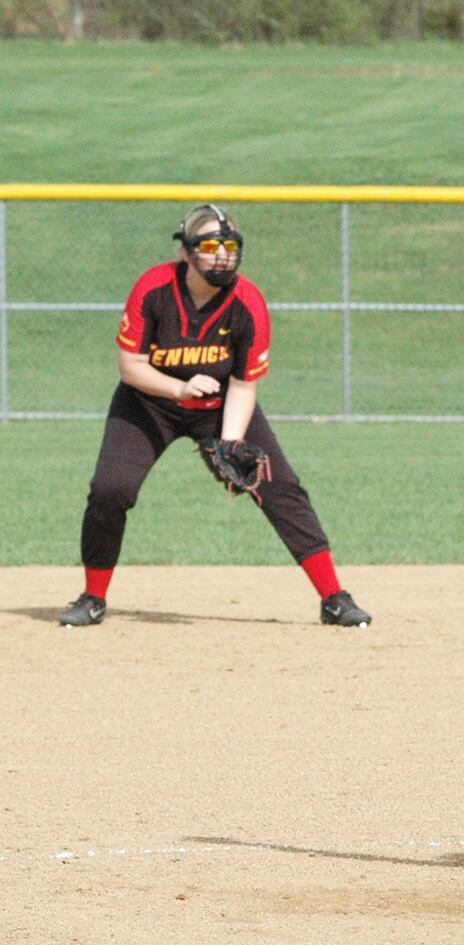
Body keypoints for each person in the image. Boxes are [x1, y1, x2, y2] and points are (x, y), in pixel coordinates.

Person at [57, 204, 371, 629]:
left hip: (221, 405)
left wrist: (230, 442)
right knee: (110, 489)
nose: (222, 254)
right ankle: (93, 597)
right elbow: (130, 367)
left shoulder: (248, 303)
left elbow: (243, 384)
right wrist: (179, 389)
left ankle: (334, 598)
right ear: (186, 253)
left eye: (230, 245)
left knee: (282, 489)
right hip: (148, 401)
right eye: (209, 245)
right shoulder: (154, 289)